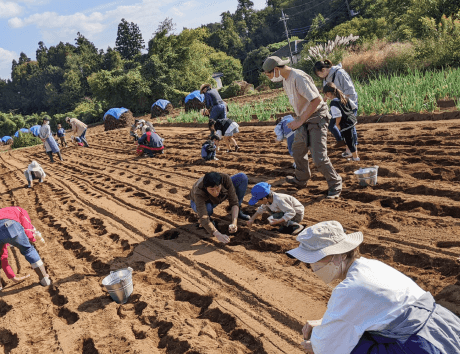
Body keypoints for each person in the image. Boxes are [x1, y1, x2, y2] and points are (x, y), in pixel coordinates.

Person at [286, 220, 460, 354]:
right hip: (444, 326)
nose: (311, 266)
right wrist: (326, 324)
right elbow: (370, 312)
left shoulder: (349, 289)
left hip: (420, 344)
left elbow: (328, 345)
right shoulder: (370, 266)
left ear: (338, 256)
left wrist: (315, 344)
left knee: (351, 347)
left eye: (315, 260)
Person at [262, 56, 342, 199]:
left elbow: (316, 100)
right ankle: (301, 178)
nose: (269, 78)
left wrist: (299, 121)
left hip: (317, 118)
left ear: (276, 70)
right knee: (298, 150)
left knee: (319, 157)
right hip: (304, 118)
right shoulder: (286, 80)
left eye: (269, 75)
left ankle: (335, 183)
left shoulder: (299, 77)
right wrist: (298, 119)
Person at [0, 207, 51, 290]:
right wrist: (32, 239)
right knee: (28, 250)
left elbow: (2, 257)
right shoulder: (19, 210)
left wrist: (11, 275)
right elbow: (27, 228)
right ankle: (44, 279)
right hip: (8, 225)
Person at [314, 59, 359, 155]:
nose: (319, 77)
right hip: (337, 105)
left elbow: (350, 90)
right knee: (331, 124)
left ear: (323, 70)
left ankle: (351, 150)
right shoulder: (325, 79)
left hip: (348, 103)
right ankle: (341, 141)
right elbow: (327, 94)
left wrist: (344, 104)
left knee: (349, 127)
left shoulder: (340, 73)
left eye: (318, 74)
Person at [190, 171, 250, 243]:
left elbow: (234, 202)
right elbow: (203, 216)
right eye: (212, 190)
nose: (215, 192)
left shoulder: (225, 179)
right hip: (200, 202)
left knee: (242, 177)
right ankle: (209, 223)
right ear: (206, 188)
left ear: (221, 184)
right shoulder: (198, 191)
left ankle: (238, 212)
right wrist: (217, 234)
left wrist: (234, 222)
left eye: (217, 188)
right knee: (208, 209)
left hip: (221, 196)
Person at [323, 83, 359, 162]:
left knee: (349, 141)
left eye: (325, 94)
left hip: (345, 124)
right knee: (351, 139)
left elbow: (338, 116)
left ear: (328, 93)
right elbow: (354, 107)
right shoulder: (344, 97)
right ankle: (352, 155)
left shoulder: (333, 104)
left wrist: (337, 124)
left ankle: (356, 158)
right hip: (352, 121)